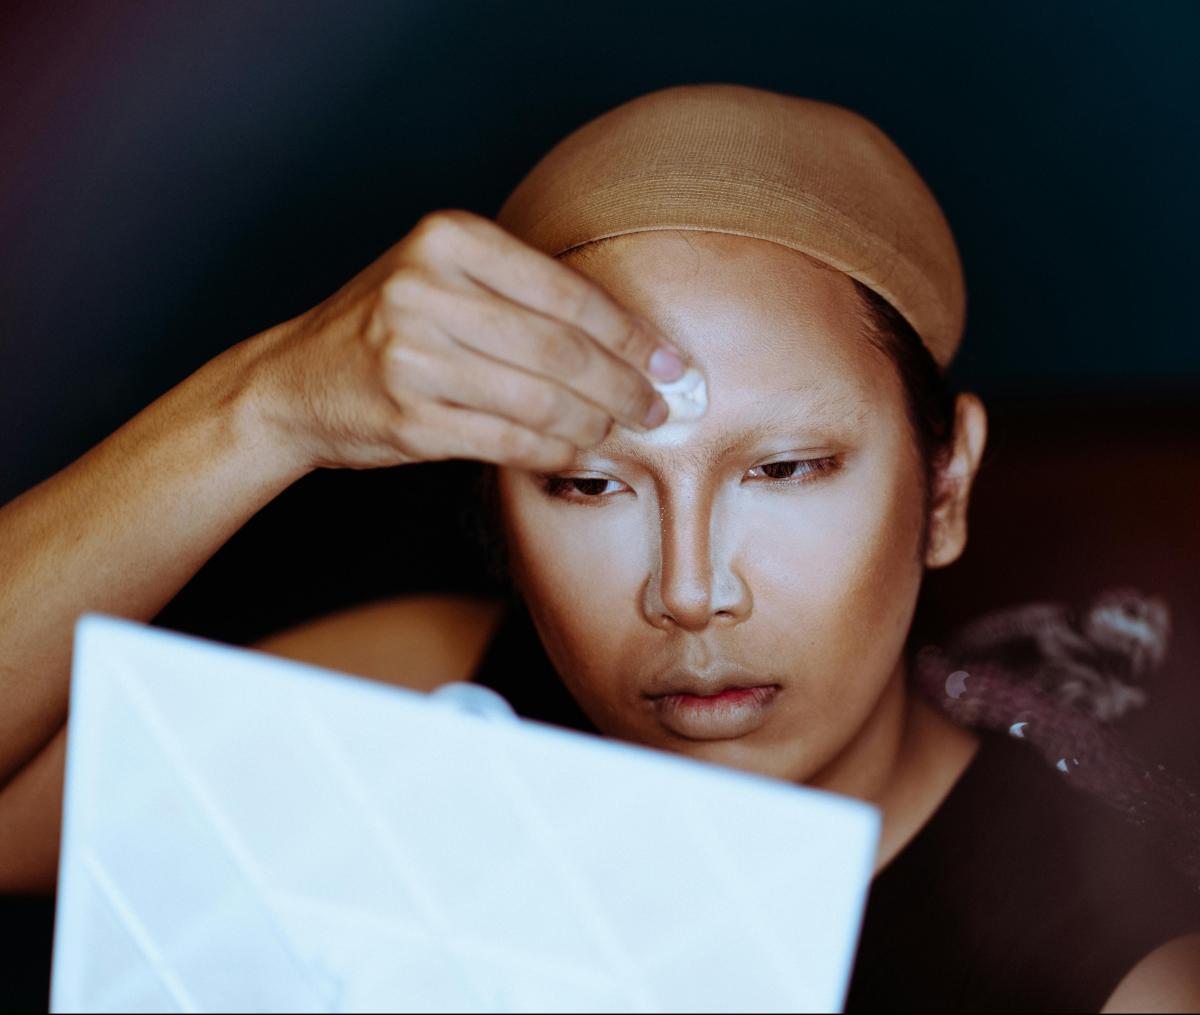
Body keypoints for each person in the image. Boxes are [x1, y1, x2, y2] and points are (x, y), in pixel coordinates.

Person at [0, 83, 1197, 1011]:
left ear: (946, 488)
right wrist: (260, 407)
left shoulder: (1114, 974)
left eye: (782, 469)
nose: (687, 589)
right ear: (500, 513)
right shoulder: (433, 713)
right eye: (588, 482)